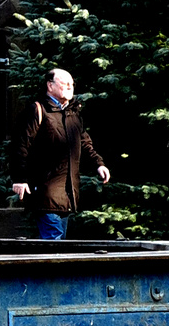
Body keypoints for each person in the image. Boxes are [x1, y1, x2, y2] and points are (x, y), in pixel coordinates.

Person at [11, 68, 111, 239]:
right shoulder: (37, 110)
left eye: (71, 84)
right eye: (64, 84)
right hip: (45, 193)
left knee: (58, 245)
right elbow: (20, 146)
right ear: (50, 85)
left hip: (67, 195)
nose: (69, 87)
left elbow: (85, 143)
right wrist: (20, 179)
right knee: (54, 244)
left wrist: (99, 164)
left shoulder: (73, 114)